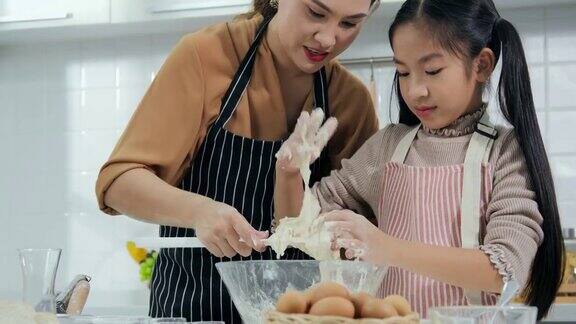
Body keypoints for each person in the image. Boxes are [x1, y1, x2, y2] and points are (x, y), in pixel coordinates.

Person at [275, 0, 565, 319]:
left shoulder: (505, 152)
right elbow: (300, 225)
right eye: (403, 72)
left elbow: (504, 269)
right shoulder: (388, 146)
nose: (415, 91)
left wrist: (386, 248)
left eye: (432, 71)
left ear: (481, 65)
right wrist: (288, 174)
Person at [95, 0, 381, 321]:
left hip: (303, 315)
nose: (329, 39)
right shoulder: (204, 56)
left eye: (349, 24)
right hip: (193, 307)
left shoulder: (351, 101)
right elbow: (117, 184)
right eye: (316, 13)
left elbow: (361, 239)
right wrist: (199, 212)